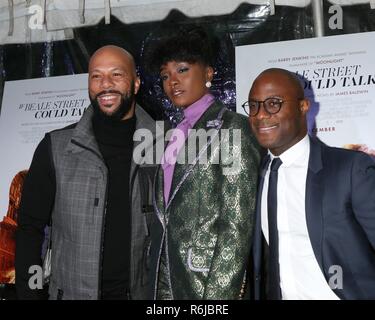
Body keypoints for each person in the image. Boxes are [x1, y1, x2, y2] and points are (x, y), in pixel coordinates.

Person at [15, 45, 160, 300]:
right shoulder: (56, 147)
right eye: (96, 75)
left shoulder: (163, 145)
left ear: (136, 83)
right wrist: (31, 293)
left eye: (116, 74)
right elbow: (30, 230)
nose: (105, 84)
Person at [146, 27, 261, 300]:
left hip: (208, 282)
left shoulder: (234, 128)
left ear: (208, 74)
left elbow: (237, 225)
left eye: (182, 70)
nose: (172, 81)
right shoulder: (171, 135)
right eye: (165, 75)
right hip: (165, 281)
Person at [246, 68, 375, 300]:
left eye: (273, 103)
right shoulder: (255, 174)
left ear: (303, 106)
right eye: (253, 105)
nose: (261, 115)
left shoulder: (350, 169)